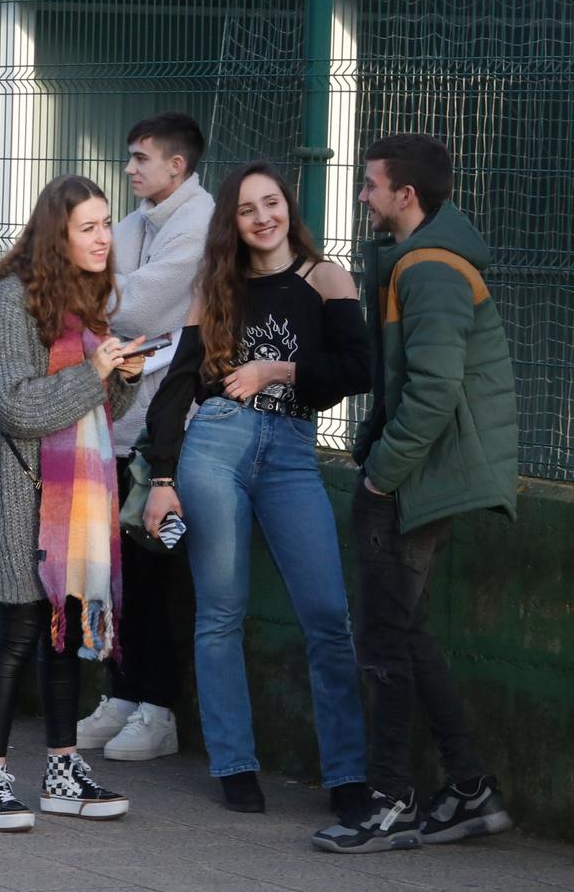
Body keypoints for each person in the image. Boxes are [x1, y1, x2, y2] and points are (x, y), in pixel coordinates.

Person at [143, 162, 371, 817]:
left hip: (294, 451)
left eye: (271, 203)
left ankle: (347, 774)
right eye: (247, 209)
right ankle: (234, 763)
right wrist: (162, 476)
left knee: (328, 615)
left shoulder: (324, 277)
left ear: (287, 208)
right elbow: (178, 386)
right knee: (221, 612)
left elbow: (357, 368)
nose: (263, 216)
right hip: (215, 446)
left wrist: (276, 368)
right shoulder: (216, 287)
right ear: (233, 223)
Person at [314, 135, 519, 854]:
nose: (363, 195)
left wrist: (380, 472)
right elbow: (405, 380)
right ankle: (469, 788)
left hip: (415, 481)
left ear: (406, 196)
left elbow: (433, 390)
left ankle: (391, 798)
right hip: (418, 474)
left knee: (382, 640)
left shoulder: (430, 267)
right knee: (404, 632)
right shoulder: (419, 258)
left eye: (371, 185)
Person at [0, 174, 144, 831]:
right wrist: (95, 374)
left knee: (63, 629)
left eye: (107, 224)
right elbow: (11, 403)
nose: (105, 238)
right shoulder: (12, 300)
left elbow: (92, 405)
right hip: (17, 492)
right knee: (16, 632)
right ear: (57, 234)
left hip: (72, 501)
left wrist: (120, 378)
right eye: (89, 227)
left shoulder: (86, 300)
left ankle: (63, 770)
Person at [75, 112, 214, 765]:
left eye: (140, 158)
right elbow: (101, 283)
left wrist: (103, 288)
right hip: (119, 422)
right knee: (116, 573)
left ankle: (159, 708)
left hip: (171, 430)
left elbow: (133, 305)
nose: (129, 168)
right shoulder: (140, 221)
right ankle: (123, 694)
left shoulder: (199, 223)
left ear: (177, 166)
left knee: (158, 575)